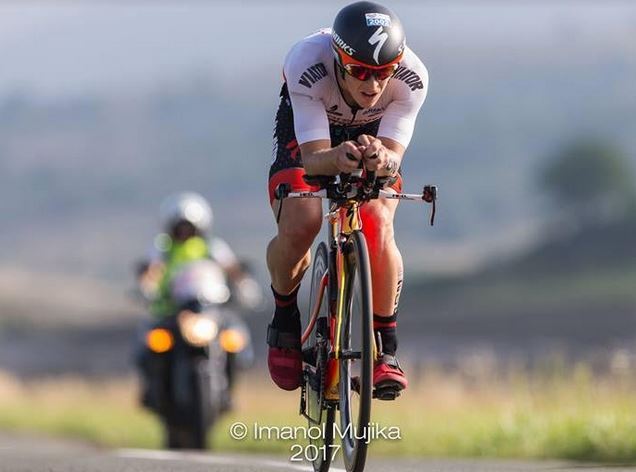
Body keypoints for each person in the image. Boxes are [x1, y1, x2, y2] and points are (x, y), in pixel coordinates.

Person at [266, 1, 428, 394]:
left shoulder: (412, 78)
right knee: (303, 221)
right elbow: (314, 158)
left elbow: (392, 159)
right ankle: (285, 316)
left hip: (370, 136)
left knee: (378, 222)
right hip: (310, 135)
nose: (372, 86)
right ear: (338, 60)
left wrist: (381, 158)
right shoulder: (308, 64)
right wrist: (336, 158)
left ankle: (386, 351)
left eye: (382, 74)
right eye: (359, 72)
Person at [137, 192, 261, 318]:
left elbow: (231, 268)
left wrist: (245, 286)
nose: (184, 232)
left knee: (235, 333)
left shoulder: (212, 246)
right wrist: (147, 288)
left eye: (188, 227)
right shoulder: (163, 247)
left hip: (211, 313)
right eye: (180, 227)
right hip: (171, 314)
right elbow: (152, 272)